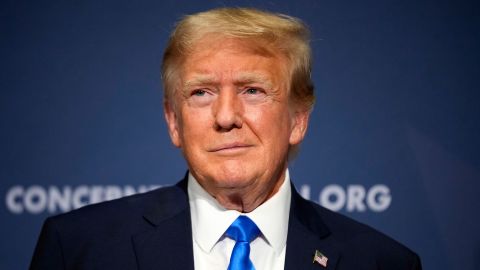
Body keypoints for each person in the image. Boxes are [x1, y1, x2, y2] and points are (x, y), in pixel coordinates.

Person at [30, 7, 422, 270]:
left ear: (298, 119)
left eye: (252, 90)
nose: (226, 117)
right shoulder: (80, 249)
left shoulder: (380, 262)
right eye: (201, 93)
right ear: (173, 121)